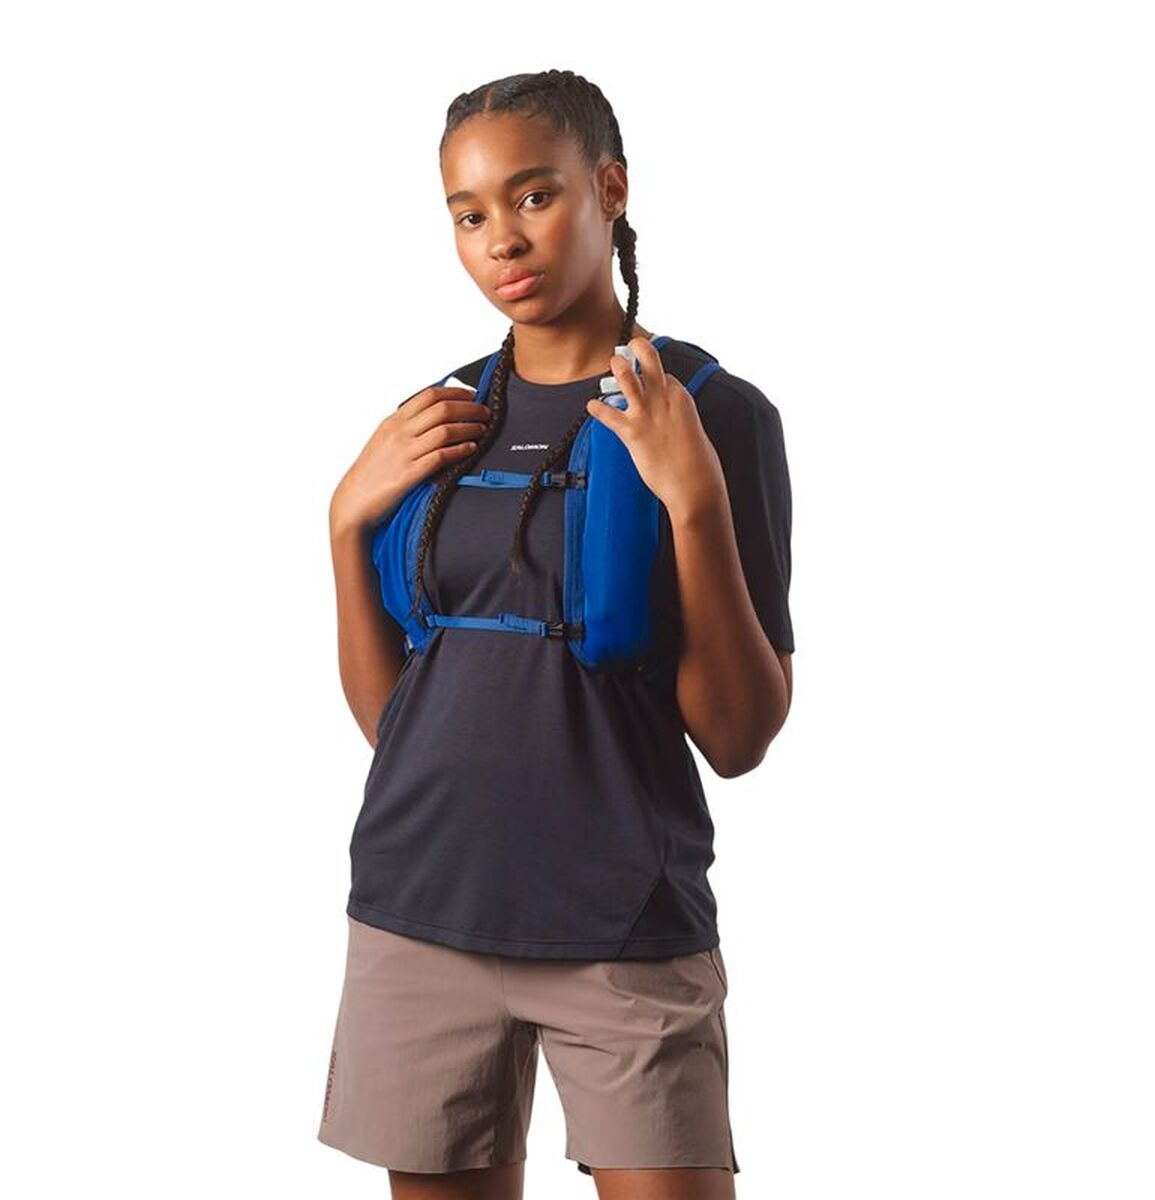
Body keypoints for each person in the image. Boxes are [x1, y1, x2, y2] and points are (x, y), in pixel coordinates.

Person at [317, 69, 794, 1200]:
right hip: (421, 912)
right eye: (468, 214)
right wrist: (342, 524)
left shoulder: (713, 412)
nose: (502, 240)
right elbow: (398, 723)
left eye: (534, 196)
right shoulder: (438, 418)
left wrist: (694, 501)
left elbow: (739, 736)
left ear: (609, 189)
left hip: (621, 926)